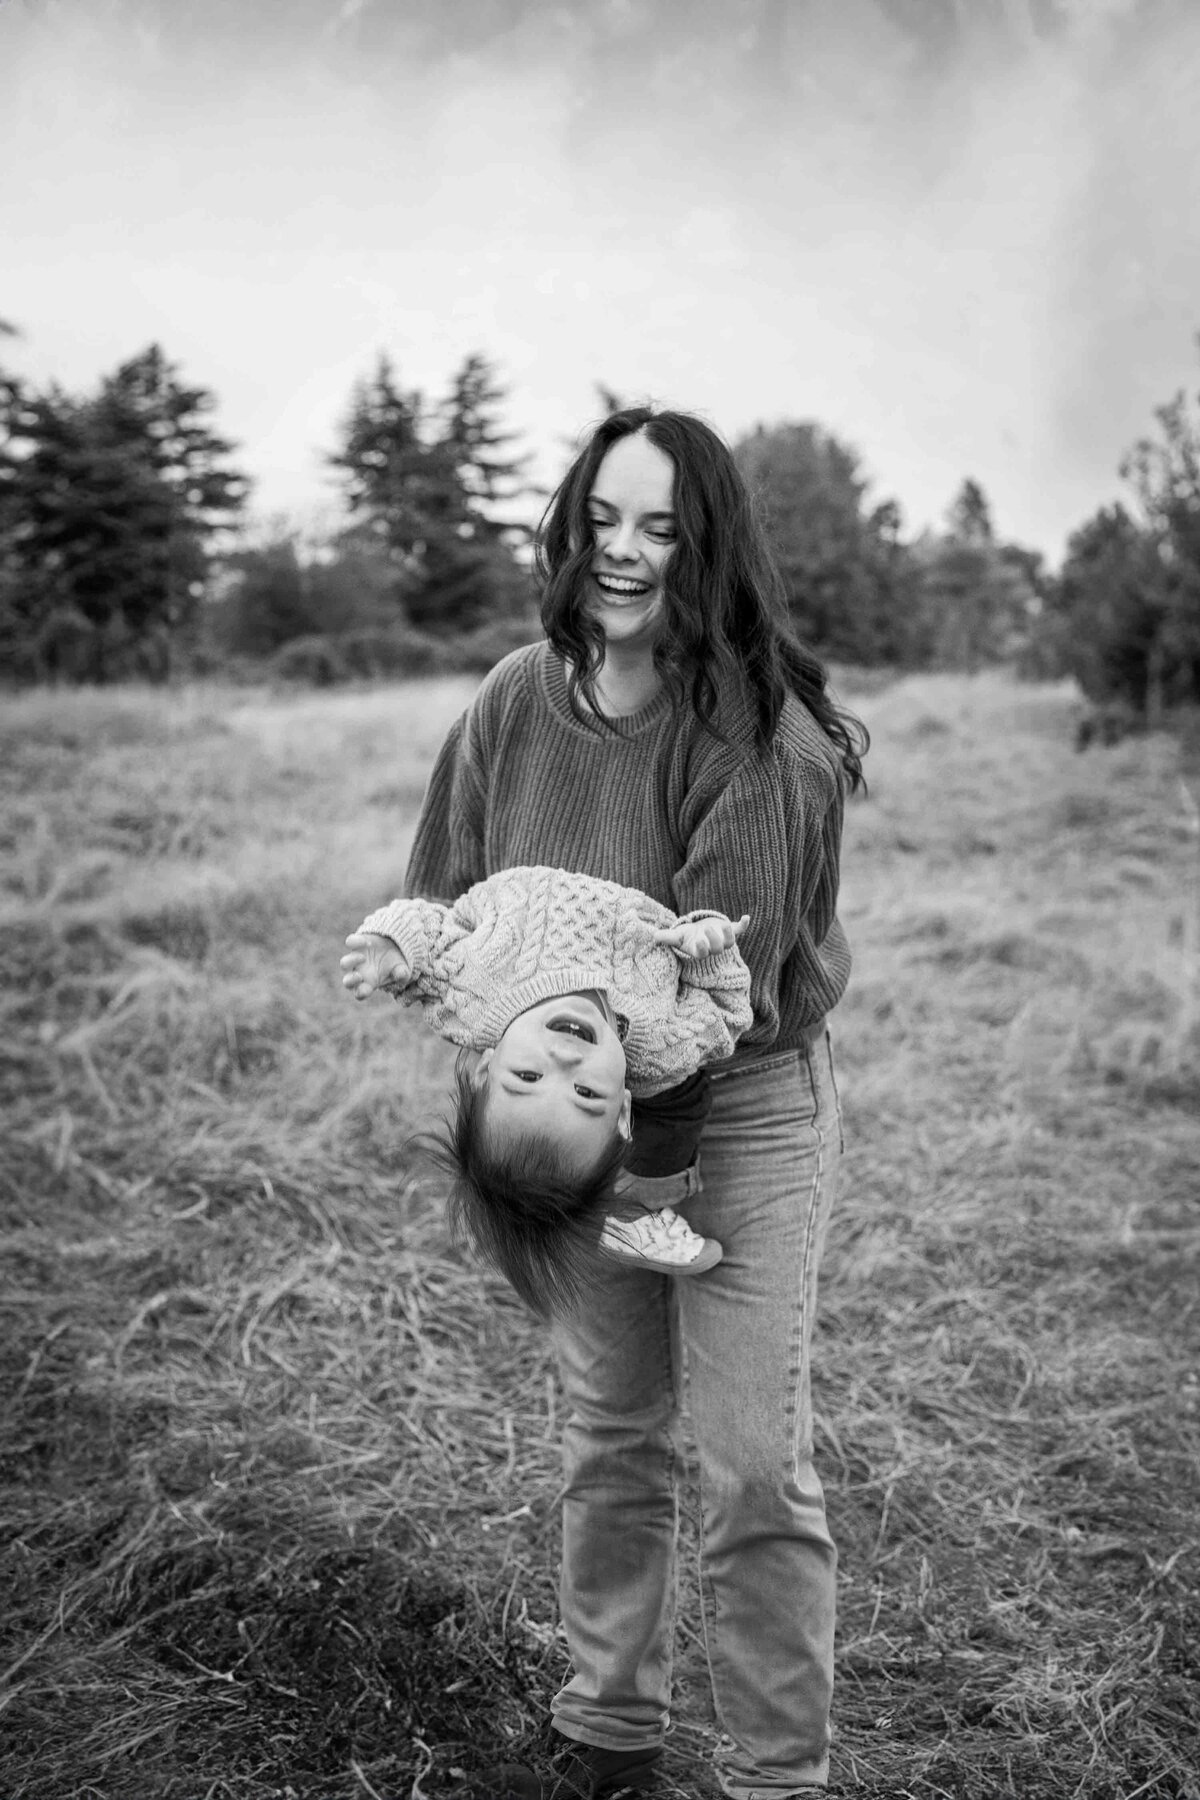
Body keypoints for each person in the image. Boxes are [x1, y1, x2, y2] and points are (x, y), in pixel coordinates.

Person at [398, 406, 868, 1800]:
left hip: (743, 1102)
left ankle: (779, 1774)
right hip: (574, 1094)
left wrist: (586, 1098)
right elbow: (449, 899)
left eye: (661, 525)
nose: (624, 549)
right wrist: (508, 1084)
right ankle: (608, 1729)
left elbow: (710, 1009)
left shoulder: (758, 744)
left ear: (707, 546)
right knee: (610, 1429)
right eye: (604, 516)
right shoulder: (509, 702)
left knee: (746, 1460)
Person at [339, 864, 752, 1310]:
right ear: (624, 1113)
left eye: (528, 1078)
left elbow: (431, 930)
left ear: (486, 1071)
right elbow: (727, 1013)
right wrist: (706, 941)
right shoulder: (663, 1044)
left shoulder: (469, 998)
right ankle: (647, 1206)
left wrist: (393, 941)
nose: (565, 1060)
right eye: (587, 1094)